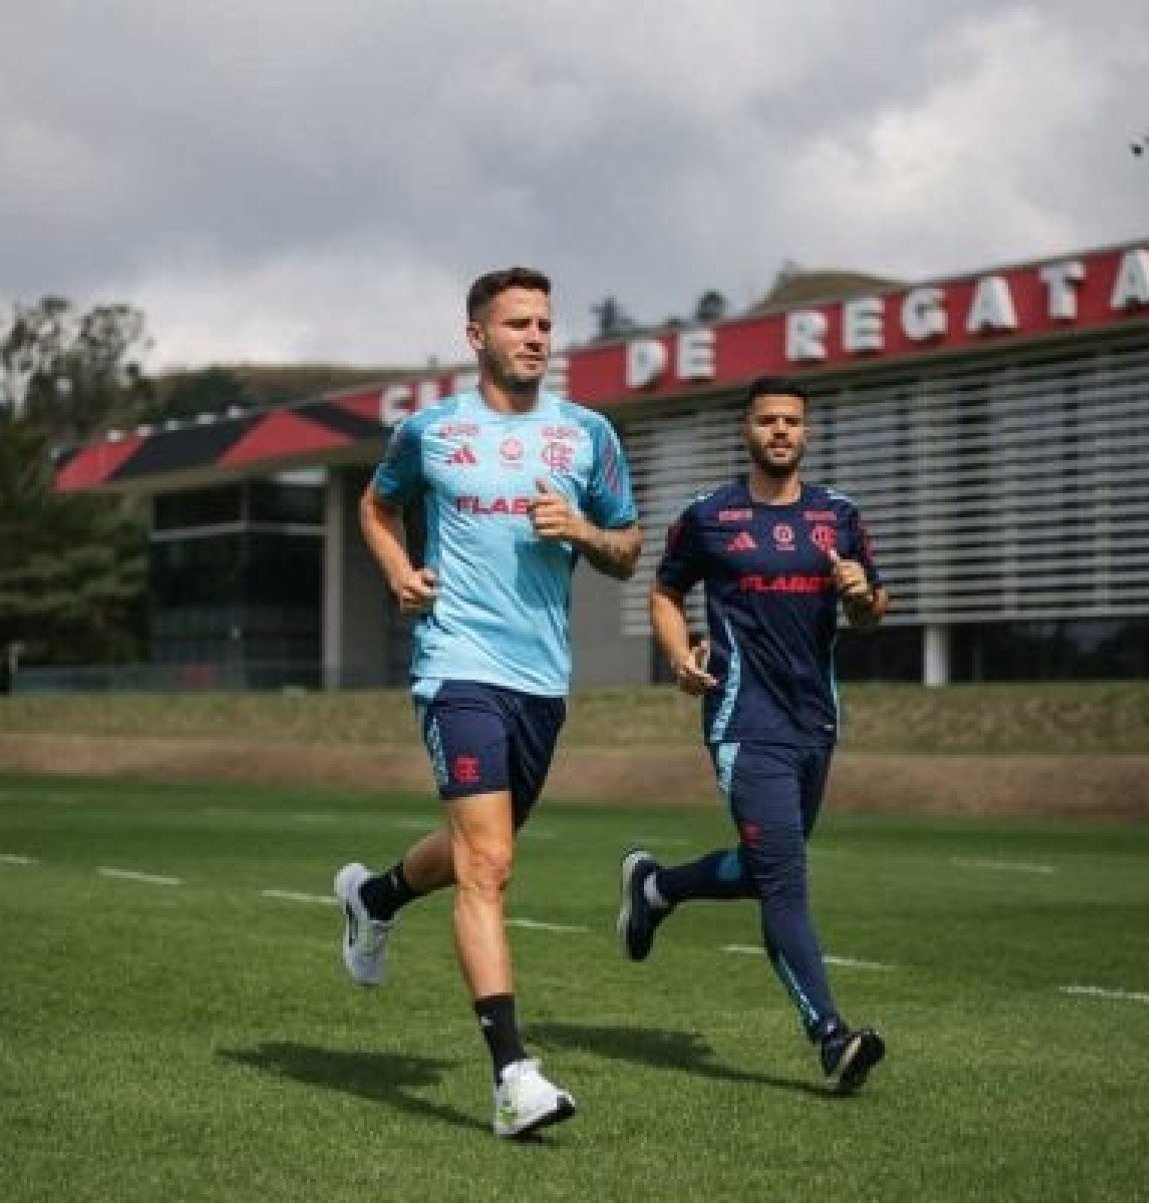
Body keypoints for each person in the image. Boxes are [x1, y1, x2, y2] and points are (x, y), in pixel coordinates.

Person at [334, 266, 642, 1138]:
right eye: (518, 324)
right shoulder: (429, 433)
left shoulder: (587, 436)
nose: (537, 337)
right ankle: (512, 1075)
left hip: (543, 682)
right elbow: (375, 505)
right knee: (491, 863)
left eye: (545, 323)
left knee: (480, 850)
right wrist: (400, 575)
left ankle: (378, 897)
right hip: (455, 666)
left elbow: (626, 545)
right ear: (478, 338)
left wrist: (581, 530)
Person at [618, 374, 890, 1094]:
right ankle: (832, 1037)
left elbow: (873, 606)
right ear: (747, 429)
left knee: (767, 862)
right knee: (784, 879)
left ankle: (656, 888)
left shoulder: (840, 517)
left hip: (816, 720)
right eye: (767, 419)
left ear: (805, 432)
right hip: (744, 721)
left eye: (792, 421)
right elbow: (665, 591)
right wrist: (679, 656)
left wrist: (863, 596)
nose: (780, 430)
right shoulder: (708, 516)